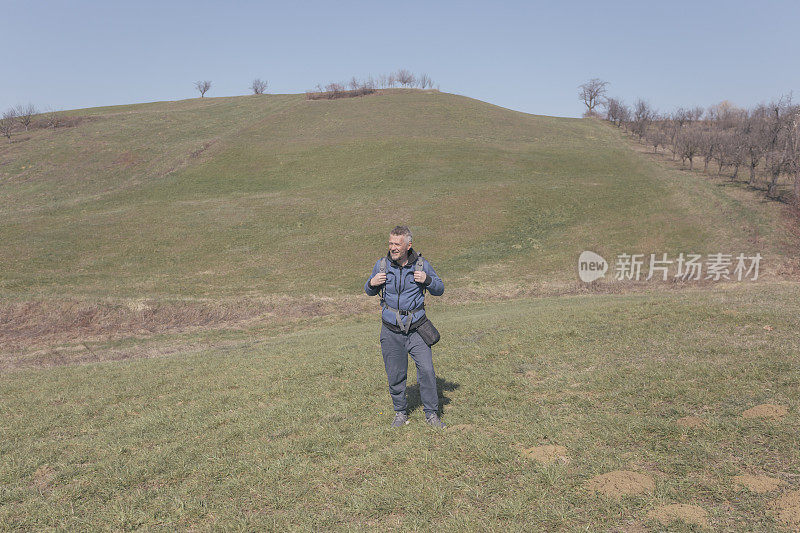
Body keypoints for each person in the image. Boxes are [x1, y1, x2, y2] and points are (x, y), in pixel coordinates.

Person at [364, 225, 446, 429]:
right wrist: (372, 283)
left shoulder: (421, 265)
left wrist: (426, 280)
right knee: (395, 374)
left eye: (397, 244)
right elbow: (368, 291)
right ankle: (400, 413)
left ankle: (431, 414)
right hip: (390, 331)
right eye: (391, 243)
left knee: (426, 371)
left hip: (417, 329)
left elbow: (440, 289)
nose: (393, 247)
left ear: (409, 245)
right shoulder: (381, 265)